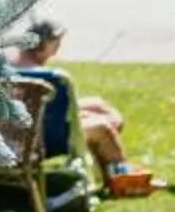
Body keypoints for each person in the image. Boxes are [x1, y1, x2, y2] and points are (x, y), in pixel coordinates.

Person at [11, 16, 130, 178]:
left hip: (13, 131)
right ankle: (123, 179)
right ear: (44, 44)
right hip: (38, 139)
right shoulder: (50, 78)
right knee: (103, 127)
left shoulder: (7, 68)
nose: (57, 49)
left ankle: (105, 170)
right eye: (56, 44)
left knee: (97, 105)